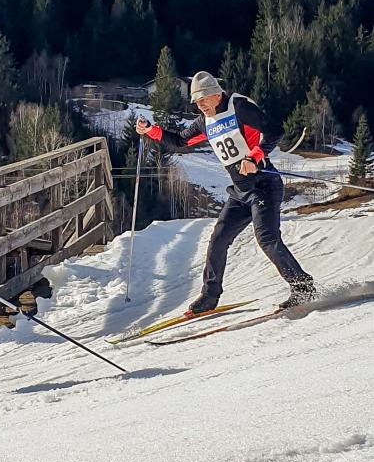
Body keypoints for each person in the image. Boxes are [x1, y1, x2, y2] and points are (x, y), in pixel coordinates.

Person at [135, 71, 316, 316]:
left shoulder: (239, 107)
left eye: (204, 101)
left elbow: (274, 131)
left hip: (263, 185)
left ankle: (303, 287)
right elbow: (179, 142)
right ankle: (209, 297)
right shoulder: (204, 121)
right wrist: (150, 131)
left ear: (217, 94)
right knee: (218, 239)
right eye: (197, 103)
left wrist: (255, 156)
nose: (201, 106)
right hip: (240, 192)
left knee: (267, 239)